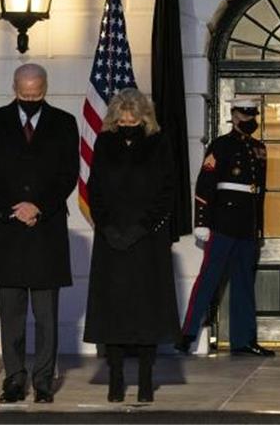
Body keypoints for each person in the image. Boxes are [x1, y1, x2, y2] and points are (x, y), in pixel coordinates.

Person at [0, 63, 79, 404]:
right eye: (24, 95)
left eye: (36, 95)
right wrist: (12, 208)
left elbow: (68, 174)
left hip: (46, 231)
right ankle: (15, 379)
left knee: (47, 316)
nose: (30, 100)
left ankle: (44, 381)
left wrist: (39, 208)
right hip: (8, 231)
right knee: (12, 315)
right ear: (14, 87)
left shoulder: (64, 123)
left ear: (45, 88)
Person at [82, 88, 181, 403]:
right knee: (114, 313)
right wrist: (107, 227)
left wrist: (142, 228)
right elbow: (94, 188)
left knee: (145, 313)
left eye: (133, 118)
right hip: (111, 240)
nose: (127, 123)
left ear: (143, 117)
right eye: (122, 118)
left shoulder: (158, 143)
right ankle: (115, 378)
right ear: (114, 118)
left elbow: (167, 191)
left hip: (146, 241)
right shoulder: (106, 142)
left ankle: (146, 380)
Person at [175, 98, 275, 357]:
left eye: (253, 114)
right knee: (208, 280)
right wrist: (201, 222)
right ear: (234, 115)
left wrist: (259, 228)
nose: (249, 119)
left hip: (247, 227)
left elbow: (259, 193)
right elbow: (205, 184)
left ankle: (244, 341)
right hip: (222, 224)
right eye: (244, 114)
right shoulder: (220, 145)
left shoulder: (259, 149)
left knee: (244, 285)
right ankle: (186, 335)